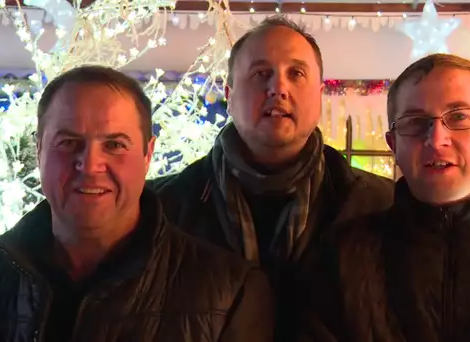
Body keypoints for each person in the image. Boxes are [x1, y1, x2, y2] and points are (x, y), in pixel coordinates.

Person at [0, 66, 274, 342]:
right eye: (69, 143)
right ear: (39, 149)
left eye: (114, 144)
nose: (91, 164)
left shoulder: (230, 297)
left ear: (147, 154)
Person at [147, 15, 394, 338]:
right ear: (230, 95)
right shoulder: (161, 210)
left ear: (319, 95)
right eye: (261, 73)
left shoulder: (380, 206)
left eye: (297, 74)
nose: (278, 88)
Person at [295, 53, 470, 341]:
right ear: (393, 145)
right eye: (415, 121)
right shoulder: (341, 260)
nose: (436, 140)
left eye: (459, 116)